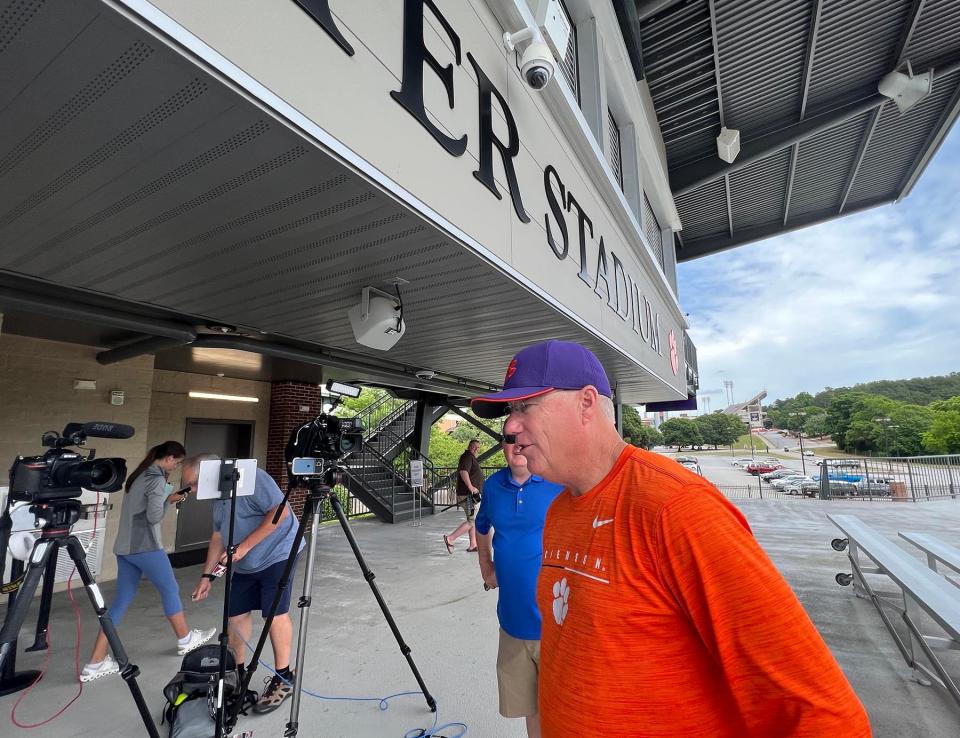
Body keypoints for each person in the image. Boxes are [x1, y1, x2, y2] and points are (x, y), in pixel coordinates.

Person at [471, 340, 872, 738]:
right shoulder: (559, 507)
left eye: (525, 406)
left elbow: (819, 710)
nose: (509, 426)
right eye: (510, 410)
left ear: (586, 403)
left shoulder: (677, 507)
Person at [81, 441, 215, 682]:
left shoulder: (138, 476)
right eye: (176, 462)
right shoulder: (156, 480)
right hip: (145, 546)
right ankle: (185, 638)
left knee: (121, 601)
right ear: (169, 458)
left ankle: (96, 661)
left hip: (125, 547)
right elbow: (154, 517)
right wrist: (167, 499)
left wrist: (167, 498)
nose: (175, 467)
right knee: (170, 588)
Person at [186, 455, 304, 715]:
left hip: (279, 552)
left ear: (209, 474)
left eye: (193, 485)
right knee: (235, 615)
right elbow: (218, 535)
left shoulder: (252, 477)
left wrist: (245, 546)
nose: (192, 492)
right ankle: (236, 673)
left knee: (274, 613)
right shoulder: (218, 495)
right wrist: (207, 576)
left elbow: (281, 511)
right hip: (245, 561)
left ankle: (283, 678)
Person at [475, 439, 563, 738]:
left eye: (524, 441)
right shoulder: (493, 486)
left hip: (557, 626)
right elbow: (482, 525)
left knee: (564, 710)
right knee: (531, 708)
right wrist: (486, 567)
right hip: (512, 625)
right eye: (510, 441)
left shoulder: (557, 482)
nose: (517, 447)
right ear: (502, 447)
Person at [442, 439, 484, 553]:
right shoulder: (467, 457)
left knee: (472, 519)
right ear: (469, 446)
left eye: (478, 447)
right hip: (468, 495)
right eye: (474, 447)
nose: (476, 449)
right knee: (472, 520)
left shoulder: (470, 457)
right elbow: (463, 472)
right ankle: (450, 539)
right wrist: (471, 487)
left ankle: (473, 545)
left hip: (469, 494)